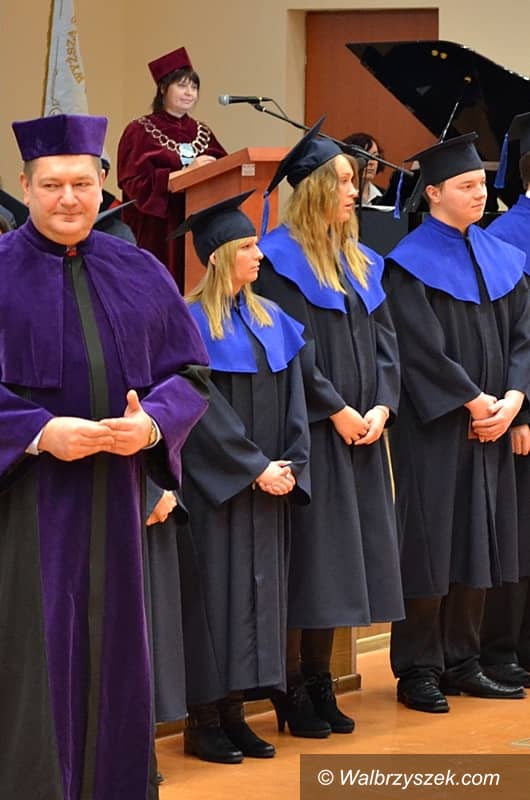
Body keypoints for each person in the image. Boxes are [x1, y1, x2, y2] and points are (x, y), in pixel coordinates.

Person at [0, 113, 209, 800]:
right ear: (24, 186)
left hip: (117, 503)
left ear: (102, 186)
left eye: (82, 184)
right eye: (52, 185)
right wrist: (36, 432)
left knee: (117, 659)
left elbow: (191, 375)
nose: (69, 199)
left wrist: (151, 427)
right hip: (24, 508)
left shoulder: (139, 270)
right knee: (33, 664)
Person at [256, 120, 404, 738]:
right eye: (343, 181)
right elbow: (290, 350)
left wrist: (382, 407)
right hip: (313, 434)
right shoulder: (277, 261)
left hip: (363, 435)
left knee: (344, 562)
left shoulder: (361, 261)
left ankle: (321, 676)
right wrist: (337, 409)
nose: (354, 190)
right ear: (315, 188)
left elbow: (387, 345)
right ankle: (291, 683)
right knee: (312, 563)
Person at [384, 133, 530, 715]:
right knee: (431, 542)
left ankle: (464, 660)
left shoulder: (500, 256)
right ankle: (419, 667)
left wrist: (513, 400)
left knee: (480, 540)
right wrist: (472, 402)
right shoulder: (409, 263)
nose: (480, 194)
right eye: (466, 186)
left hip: (494, 424)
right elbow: (418, 349)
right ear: (434, 192)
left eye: (481, 185)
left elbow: (524, 337)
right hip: (437, 429)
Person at [172, 191, 311, 763]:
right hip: (218, 491)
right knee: (215, 599)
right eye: (249, 245)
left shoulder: (270, 318)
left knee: (256, 603)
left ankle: (236, 712)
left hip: (268, 486)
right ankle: (204, 719)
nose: (260, 255)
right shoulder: (187, 322)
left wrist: (290, 464)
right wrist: (253, 468)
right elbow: (199, 410)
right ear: (218, 255)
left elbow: (296, 399)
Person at [479, 112, 530, 687]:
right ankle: (505, 647)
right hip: (522, 415)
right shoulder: (508, 238)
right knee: (518, 536)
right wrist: (523, 410)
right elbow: (515, 336)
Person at [117, 46, 226, 289]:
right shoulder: (139, 130)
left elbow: (225, 172)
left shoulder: (203, 131)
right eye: (182, 85)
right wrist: (184, 175)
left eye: (194, 87)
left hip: (198, 225)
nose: (189, 93)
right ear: (163, 88)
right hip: (158, 230)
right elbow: (133, 184)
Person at [343, 131, 384, 205]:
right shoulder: (339, 195)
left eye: (375, 156)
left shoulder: (383, 196)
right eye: (364, 156)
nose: (371, 162)